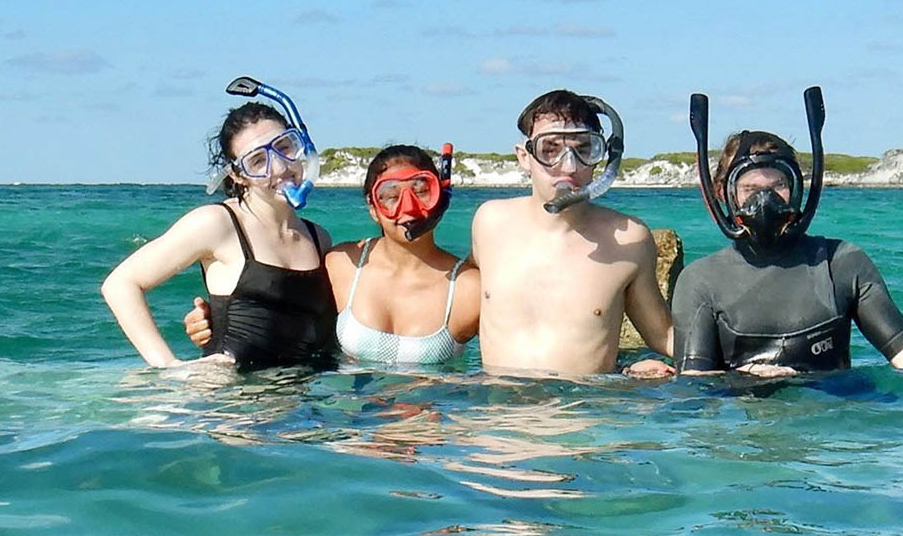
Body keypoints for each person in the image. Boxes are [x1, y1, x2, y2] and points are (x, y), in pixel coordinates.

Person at [670, 89, 903, 377]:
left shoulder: (840, 262)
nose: (765, 200)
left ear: (796, 190)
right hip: (746, 413)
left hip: (833, 411)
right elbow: (695, 389)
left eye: (778, 185)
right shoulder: (701, 280)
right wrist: (745, 382)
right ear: (723, 193)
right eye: (751, 190)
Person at [184, 145, 480, 365]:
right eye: (389, 196)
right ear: (372, 208)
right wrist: (217, 319)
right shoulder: (342, 266)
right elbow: (281, 310)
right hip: (348, 430)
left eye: (421, 191)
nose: (407, 207)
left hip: (429, 433)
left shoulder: (469, 289)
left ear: (441, 198)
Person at [102, 93, 336, 371]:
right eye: (257, 161)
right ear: (238, 175)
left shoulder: (318, 238)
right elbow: (120, 284)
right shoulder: (217, 223)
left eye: (285, 146)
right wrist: (170, 367)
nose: (281, 166)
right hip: (229, 405)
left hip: (298, 402)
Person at [470, 89, 675, 377]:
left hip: (586, 413)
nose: (569, 166)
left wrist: (745, 355)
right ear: (524, 157)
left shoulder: (629, 238)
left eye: (584, 150)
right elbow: (453, 301)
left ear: (602, 157)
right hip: (499, 414)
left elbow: (664, 335)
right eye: (550, 149)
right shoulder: (490, 222)